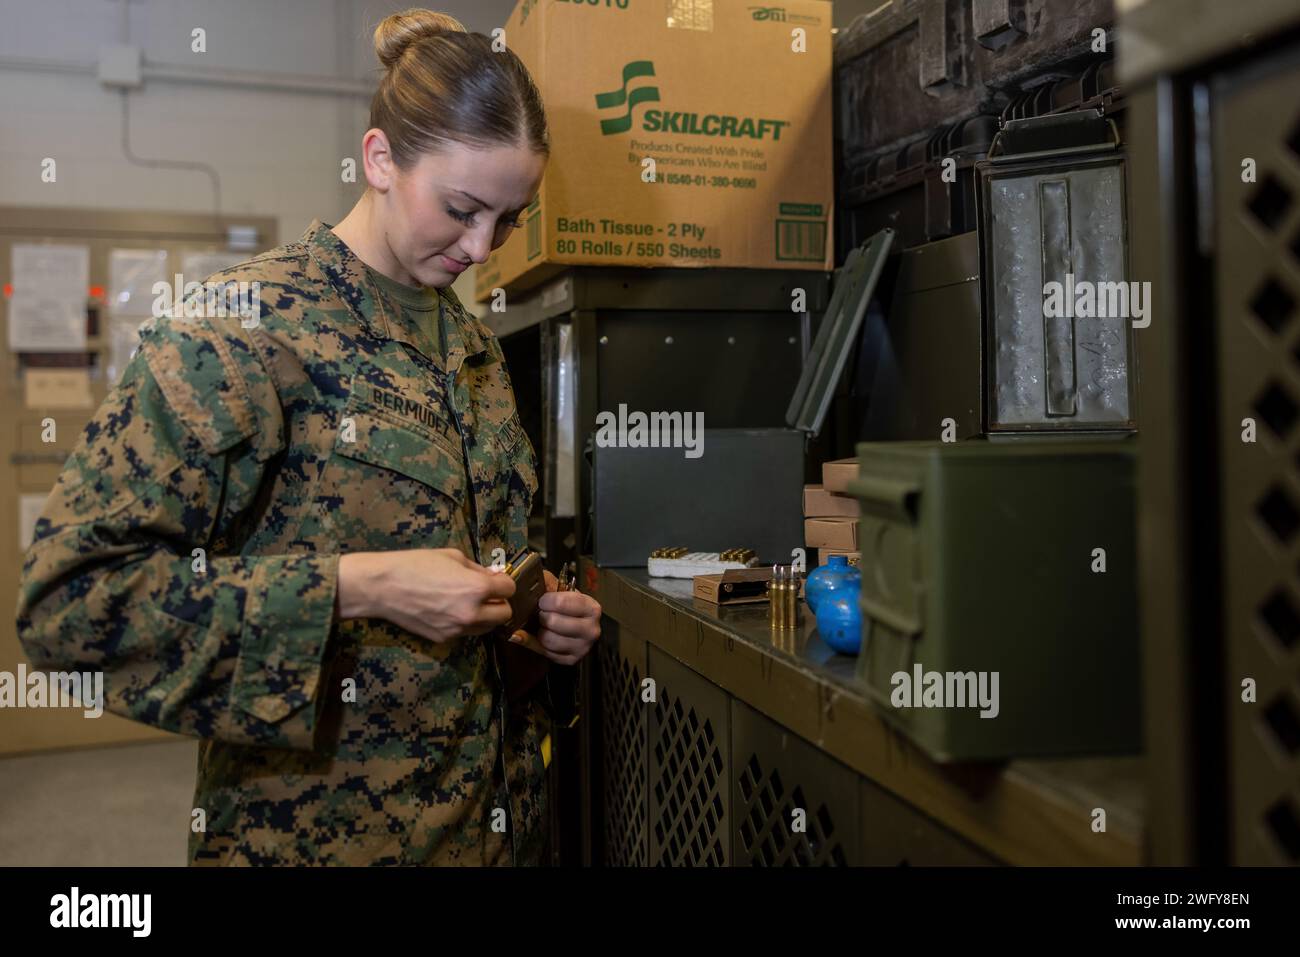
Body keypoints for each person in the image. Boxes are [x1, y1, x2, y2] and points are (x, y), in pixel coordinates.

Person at [15, 8, 601, 866]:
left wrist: (534, 623)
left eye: (510, 219)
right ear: (378, 160)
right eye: (463, 208)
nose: (482, 248)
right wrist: (356, 587)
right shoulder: (241, 329)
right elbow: (70, 605)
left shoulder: (471, 347)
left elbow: (469, 575)